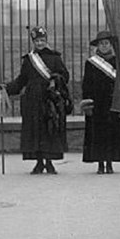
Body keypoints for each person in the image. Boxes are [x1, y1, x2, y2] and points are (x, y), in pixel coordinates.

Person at [5, 26, 71, 175]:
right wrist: (7, 88)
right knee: (35, 131)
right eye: (37, 41)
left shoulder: (55, 58)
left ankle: (50, 162)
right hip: (32, 99)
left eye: (42, 40)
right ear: (33, 42)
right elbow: (22, 80)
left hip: (49, 99)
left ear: (46, 41)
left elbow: (65, 75)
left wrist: (56, 79)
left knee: (49, 130)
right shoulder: (29, 60)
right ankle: (38, 162)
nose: (40, 43)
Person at [81, 31, 120, 174]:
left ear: (110, 45)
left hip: (113, 101)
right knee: (98, 134)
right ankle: (100, 163)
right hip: (97, 103)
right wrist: (87, 102)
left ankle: (110, 162)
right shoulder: (91, 63)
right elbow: (86, 84)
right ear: (97, 46)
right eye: (101, 44)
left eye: (106, 43)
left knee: (112, 133)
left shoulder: (118, 62)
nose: (104, 46)